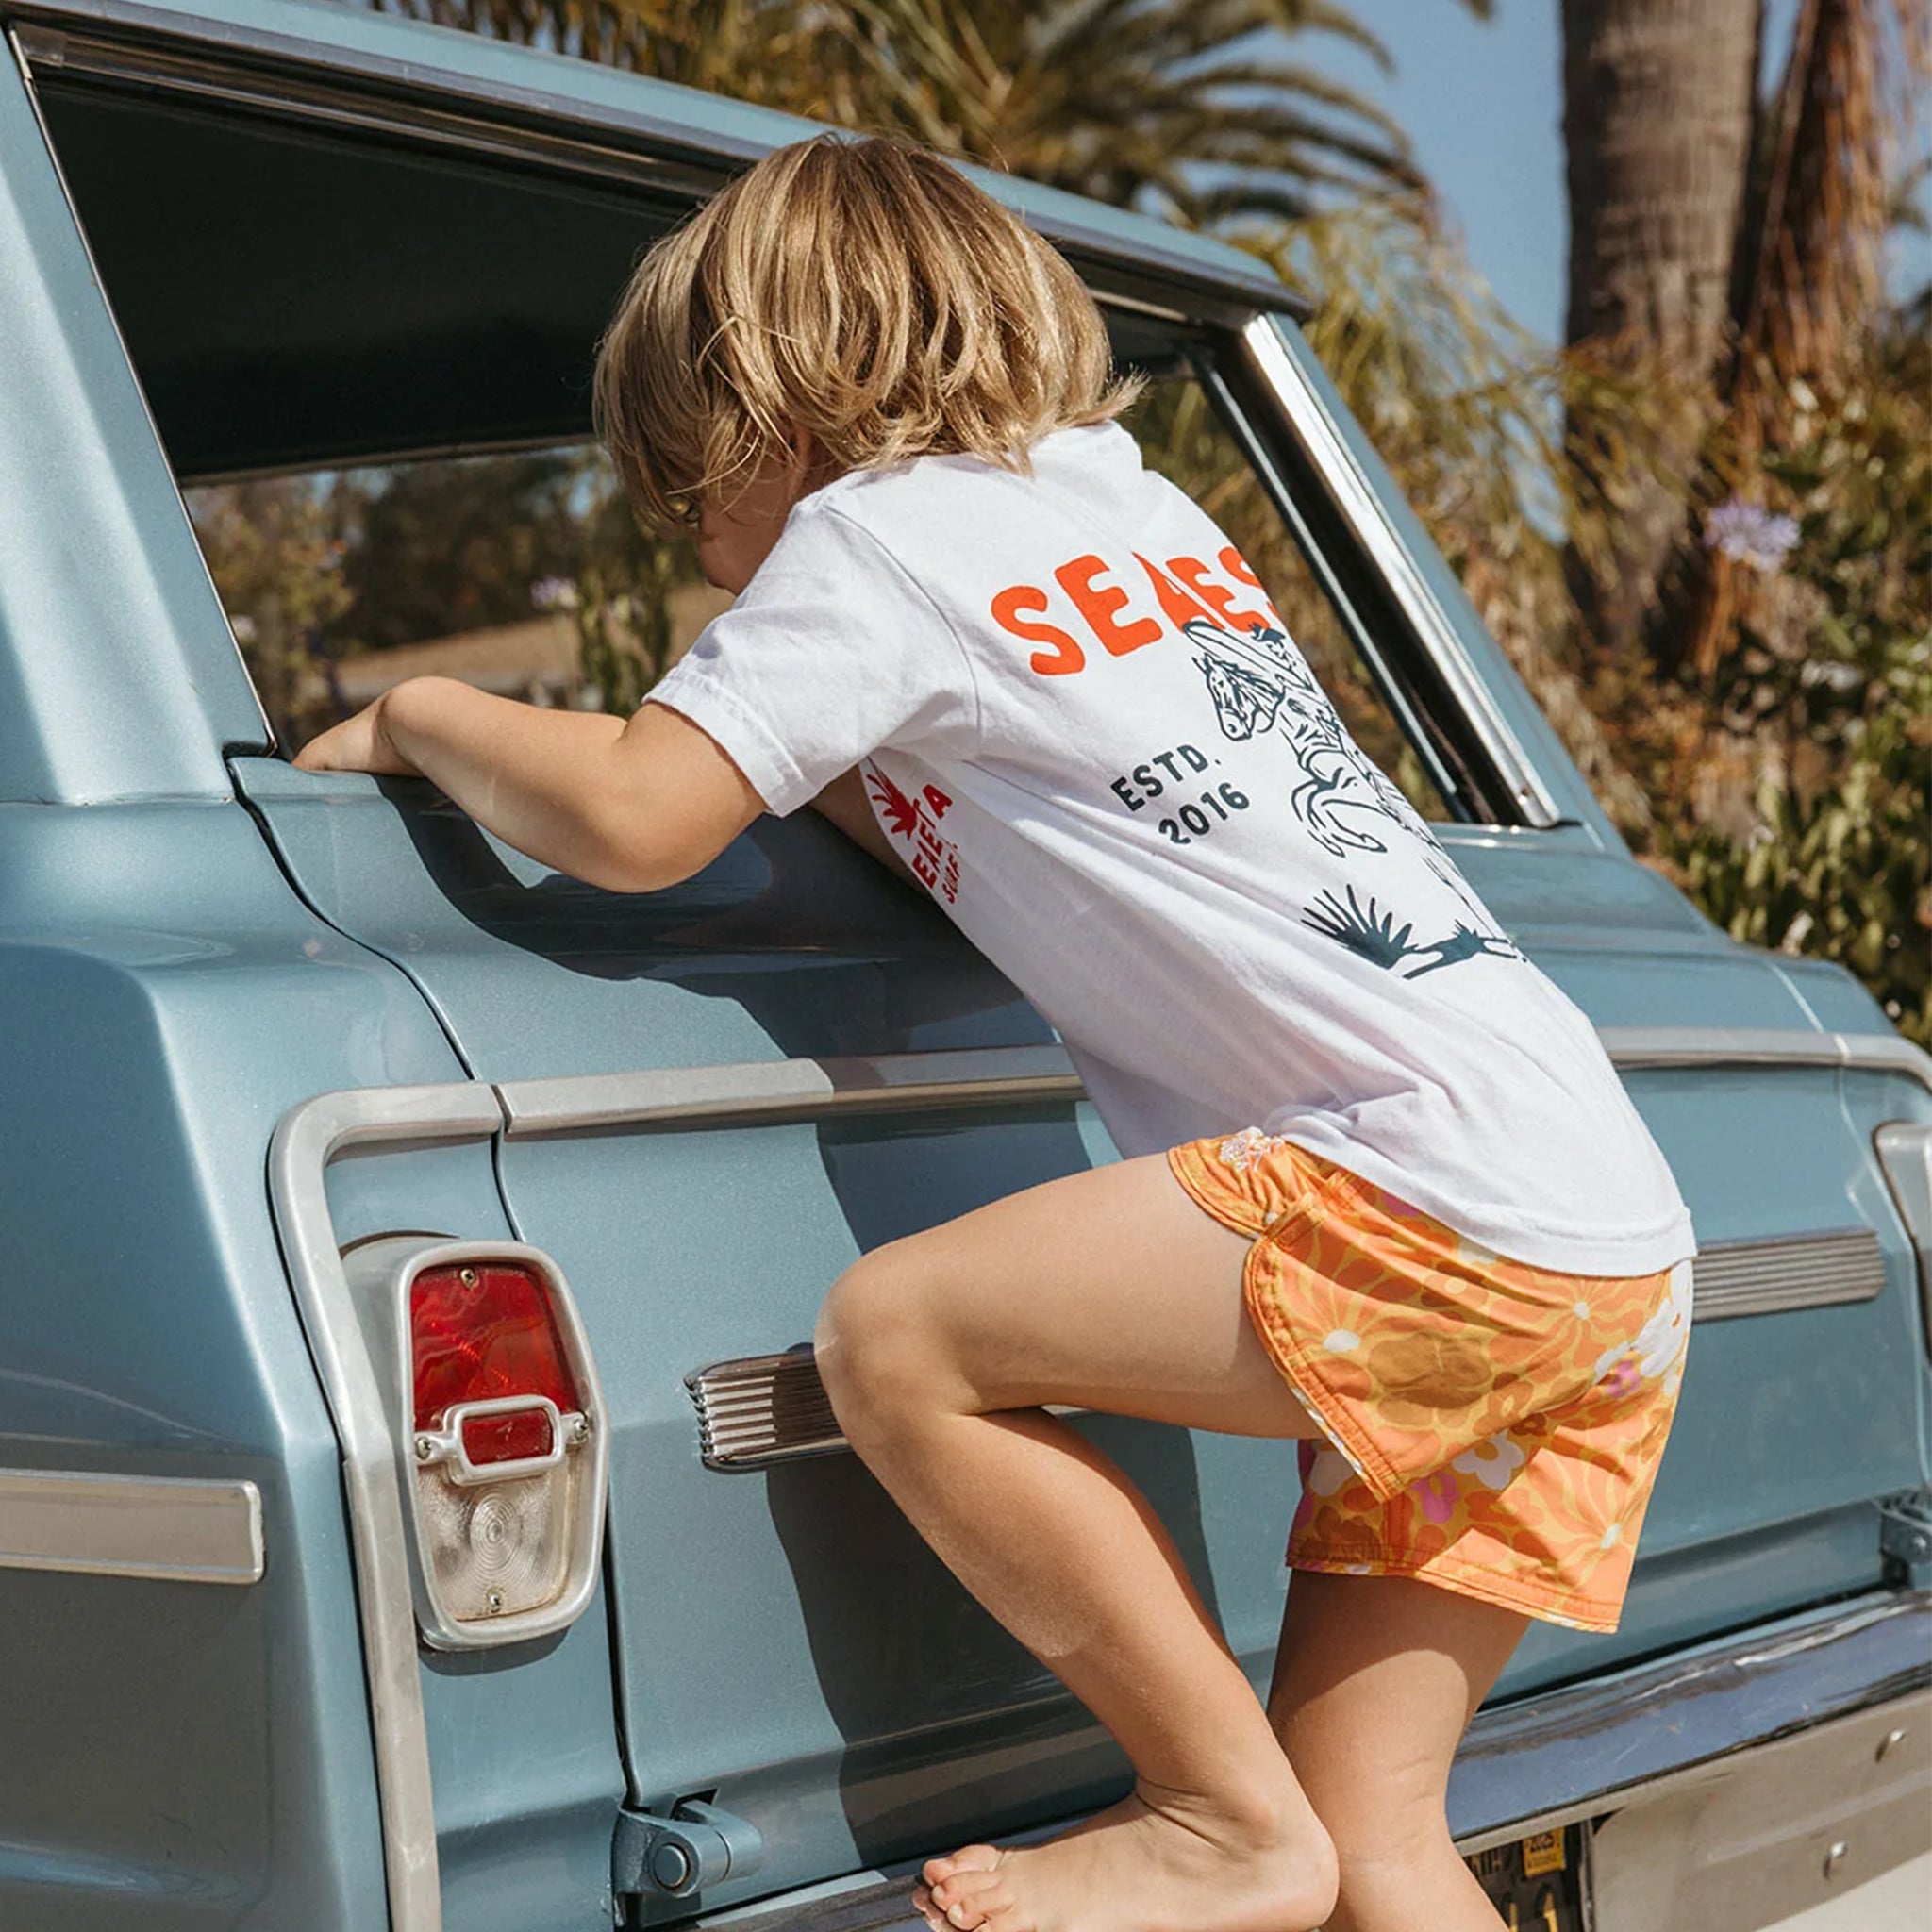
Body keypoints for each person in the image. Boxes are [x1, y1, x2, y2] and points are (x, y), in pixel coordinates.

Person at [298, 134, 1696, 1932]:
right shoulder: (1131, 512)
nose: (707, 574)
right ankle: (1271, 1838)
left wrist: (417, 710)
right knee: (1379, 1841)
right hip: (1603, 1242)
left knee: (899, 1340)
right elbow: (1021, 805)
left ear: (761, 420)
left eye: (687, 506)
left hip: (1419, 1202)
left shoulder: (868, 541)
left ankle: (1207, 1815)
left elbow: (645, 816)